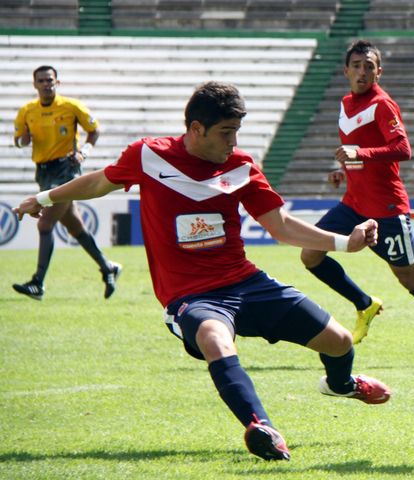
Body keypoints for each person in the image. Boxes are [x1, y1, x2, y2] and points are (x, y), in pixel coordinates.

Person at [13, 81, 392, 461]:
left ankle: (341, 384)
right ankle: (261, 427)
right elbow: (99, 181)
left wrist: (346, 243)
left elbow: (280, 226)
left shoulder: (241, 166)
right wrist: (43, 197)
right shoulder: (148, 155)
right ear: (197, 129)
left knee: (339, 341)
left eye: (236, 131)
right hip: (191, 296)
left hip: (246, 282)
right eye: (226, 132)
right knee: (214, 339)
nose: (233, 141)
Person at [300, 40, 414, 367]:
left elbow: (402, 149)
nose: (362, 72)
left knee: (409, 278)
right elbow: (357, 150)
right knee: (310, 254)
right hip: (353, 204)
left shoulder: (382, 104)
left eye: (369, 66)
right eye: (357, 66)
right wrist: (344, 169)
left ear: (379, 72)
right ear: (346, 70)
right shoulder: (346, 104)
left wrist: (359, 154)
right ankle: (365, 304)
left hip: (387, 209)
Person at [12, 65, 121, 300]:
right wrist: (23, 140)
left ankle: (38, 282)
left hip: (66, 170)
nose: (46, 84)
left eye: (50, 80)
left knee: (45, 224)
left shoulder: (71, 106)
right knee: (75, 226)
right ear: (34, 84)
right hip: (43, 172)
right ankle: (108, 267)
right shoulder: (27, 111)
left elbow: (94, 130)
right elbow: (18, 141)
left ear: (57, 82)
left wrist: (84, 152)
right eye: (41, 80)